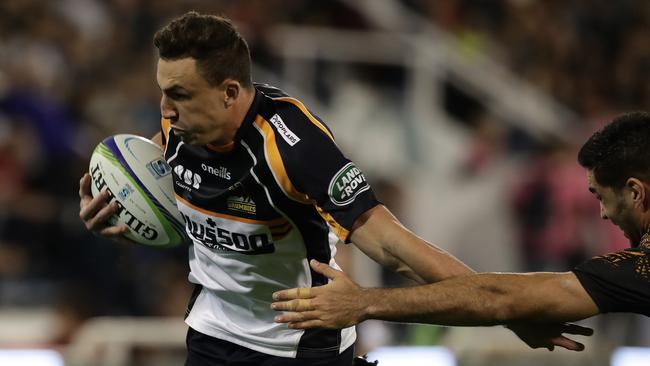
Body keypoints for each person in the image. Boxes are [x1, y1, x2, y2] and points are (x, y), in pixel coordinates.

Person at [77, 11, 587, 365]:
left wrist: (507, 311)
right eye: (162, 92)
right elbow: (163, 196)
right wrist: (121, 216)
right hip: (212, 335)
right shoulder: (177, 128)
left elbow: (397, 249)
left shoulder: (296, 149)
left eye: (179, 95)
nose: (164, 110)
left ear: (230, 92)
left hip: (301, 346)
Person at [271, 111, 650, 350]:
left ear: (635, 191)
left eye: (602, 197)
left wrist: (363, 303)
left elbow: (499, 296)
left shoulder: (640, 268)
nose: (602, 214)